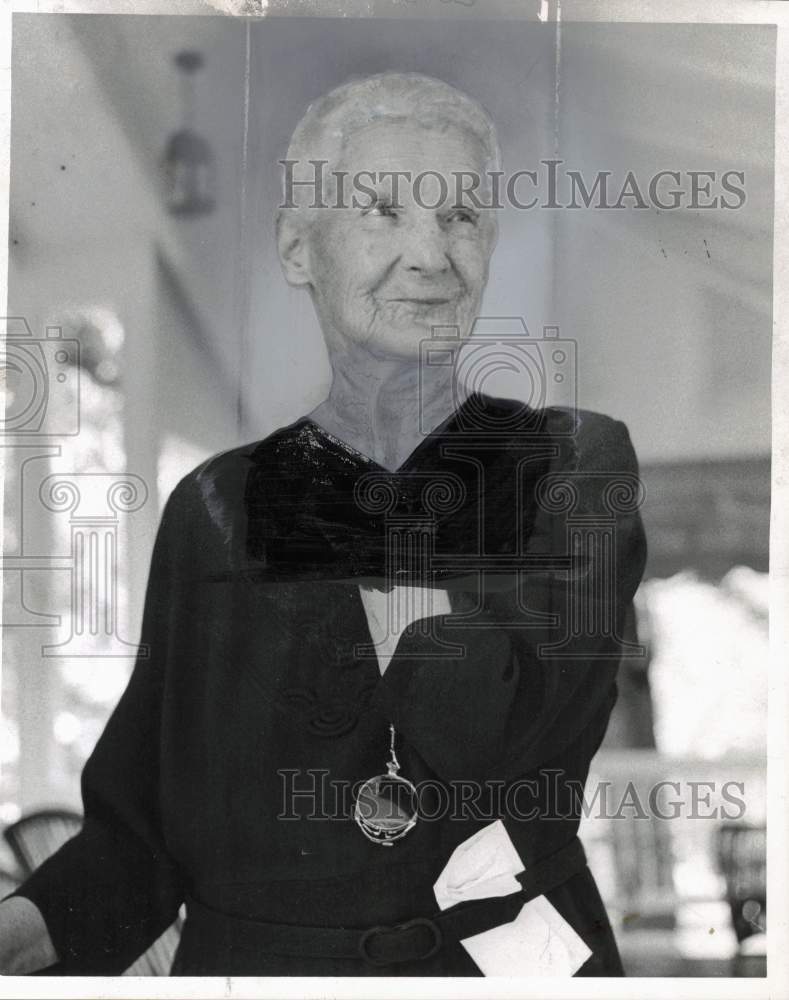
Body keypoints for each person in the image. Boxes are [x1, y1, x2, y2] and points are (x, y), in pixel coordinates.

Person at [0, 72, 646, 976]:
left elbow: (504, 741)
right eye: (382, 210)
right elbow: (143, 842)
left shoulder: (569, 462)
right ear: (299, 248)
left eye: (462, 216)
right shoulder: (215, 508)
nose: (431, 254)